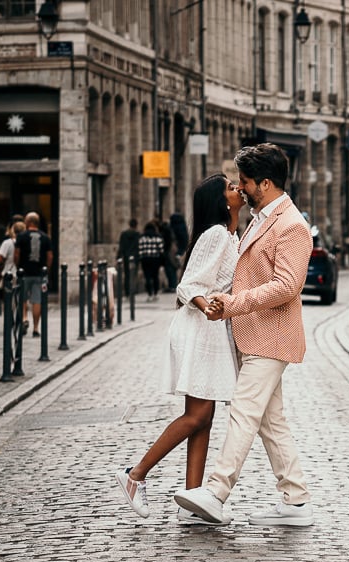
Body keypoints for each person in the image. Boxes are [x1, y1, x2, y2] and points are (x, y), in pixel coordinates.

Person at [174, 143, 314, 527]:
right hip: (253, 334)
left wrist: (231, 303)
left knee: (244, 413)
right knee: (272, 421)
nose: (241, 187)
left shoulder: (291, 225)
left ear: (265, 183)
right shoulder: (262, 217)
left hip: (272, 336)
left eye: (246, 181)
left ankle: (217, 491)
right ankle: (296, 500)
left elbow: (287, 286)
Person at [115, 174, 244, 524]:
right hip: (200, 328)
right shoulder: (216, 234)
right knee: (198, 416)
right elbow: (189, 284)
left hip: (211, 330)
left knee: (205, 417)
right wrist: (208, 307)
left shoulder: (230, 235)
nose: (239, 190)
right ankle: (135, 474)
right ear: (221, 201)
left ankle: (191, 501)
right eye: (232, 188)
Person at [13, 212, 53, 337]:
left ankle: (24, 318)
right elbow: (50, 256)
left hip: (24, 272)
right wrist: (46, 269)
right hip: (38, 273)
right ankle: (36, 328)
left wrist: (17, 265)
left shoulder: (21, 236)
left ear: (29, 222)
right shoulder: (45, 237)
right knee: (37, 300)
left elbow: (17, 254)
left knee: (23, 299)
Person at [0, 218, 25, 305]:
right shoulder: (25, 242)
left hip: (8, 273)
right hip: (22, 274)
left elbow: (0, 259)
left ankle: (10, 317)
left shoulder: (7, 243)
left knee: (9, 301)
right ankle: (20, 316)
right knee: (20, 300)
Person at [137, 221, 165, 301]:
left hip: (145, 259)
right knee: (155, 276)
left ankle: (149, 294)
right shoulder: (158, 237)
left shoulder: (142, 238)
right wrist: (161, 261)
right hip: (155, 259)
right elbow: (161, 250)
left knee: (147, 277)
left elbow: (140, 250)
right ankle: (155, 294)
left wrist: (141, 259)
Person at [157, 217, 178, 292]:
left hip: (169, 252)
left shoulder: (166, 231)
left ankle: (172, 285)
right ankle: (173, 285)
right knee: (172, 268)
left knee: (170, 269)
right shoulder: (170, 230)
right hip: (171, 251)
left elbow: (167, 242)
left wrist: (164, 252)